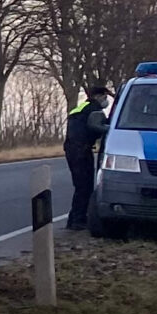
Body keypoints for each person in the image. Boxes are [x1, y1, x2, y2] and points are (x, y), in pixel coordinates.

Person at [65, 83, 113, 228]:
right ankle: (78, 220)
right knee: (84, 187)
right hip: (81, 151)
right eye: (104, 97)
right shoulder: (94, 110)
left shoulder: (82, 108)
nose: (106, 100)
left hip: (72, 150)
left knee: (80, 186)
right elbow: (97, 128)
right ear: (97, 96)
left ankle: (73, 219)